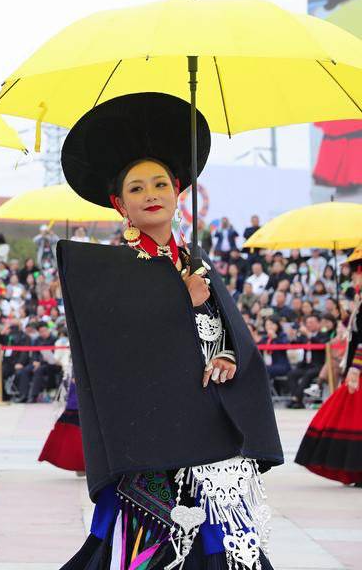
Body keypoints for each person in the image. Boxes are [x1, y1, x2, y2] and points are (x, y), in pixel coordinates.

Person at [56, 93, 281, 569]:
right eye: (136, 188)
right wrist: (179, 299)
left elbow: (226, 333)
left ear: (179, 191)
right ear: (120, 204)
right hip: (149, 437)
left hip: (210, 433)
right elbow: (119, 349)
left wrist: (224, 354)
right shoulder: (107, 270)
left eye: (160, 183)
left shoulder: (196, 261)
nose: (150, 193)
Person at [295, 248, 362, 484]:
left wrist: (355, 368)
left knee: (349, 416)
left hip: (359, 369)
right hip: (355, 367)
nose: (352, 277)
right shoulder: (358, 302)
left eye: (355, 272)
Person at [38, 331, 84, 473]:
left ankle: (82, 464)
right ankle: (80, 464)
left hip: (83, 388)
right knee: (74, 426)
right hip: (76, 391)